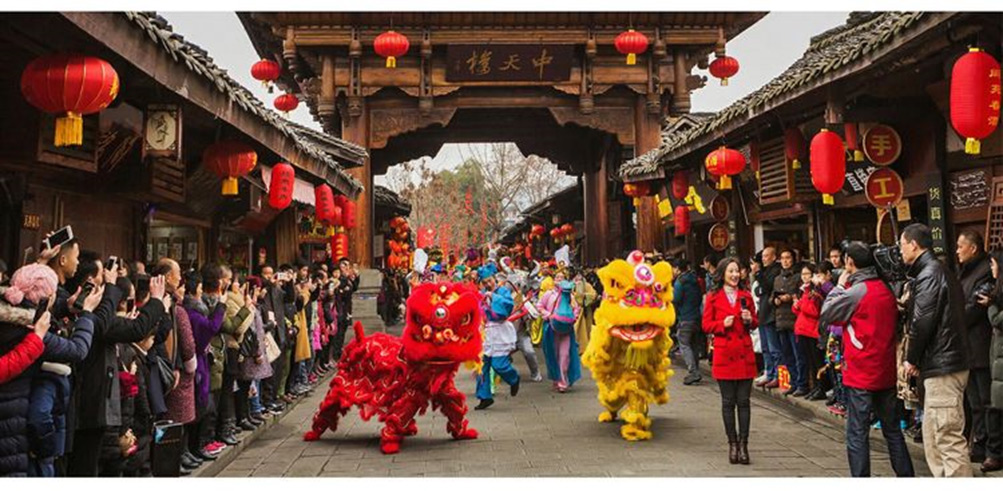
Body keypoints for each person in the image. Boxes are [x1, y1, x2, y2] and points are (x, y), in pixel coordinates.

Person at [818, 241, 914, 477]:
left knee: (857, 433)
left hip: (861, 371)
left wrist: (838, 287)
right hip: (884, 370)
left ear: (850, 262)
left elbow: (827, 313)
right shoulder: (884, 288)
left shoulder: (856, 291)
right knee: (892, 431)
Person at [900, 223, 972, 477]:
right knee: (933, 437)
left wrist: (911, 358)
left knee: (947, 437)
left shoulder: (930, 273)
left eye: (902, 245)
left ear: (914, 245)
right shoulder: (933, 271)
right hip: (940, 363)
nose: (900, 251)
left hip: (944, 364)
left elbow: (923, 320)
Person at [702, 257, 757, 465]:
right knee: (728, 402)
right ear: (723, 273)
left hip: (744, 354)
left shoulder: (746, 296)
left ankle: (744, 445)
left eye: (738, 271)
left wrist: (749, 320)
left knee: (744, 402)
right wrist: (721, 324)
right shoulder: (713, 296)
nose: (735, 275)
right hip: (724, 354)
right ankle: (732, 444)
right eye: (731, 271)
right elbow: (706, 325)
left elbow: (755, 321)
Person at [956, 229, 1000, 469]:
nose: (957, 251)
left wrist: (953, 319)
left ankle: (986, 445)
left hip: (981, 345)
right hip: (969, 347)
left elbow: (973, 308)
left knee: (985, 400)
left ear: (972, 248)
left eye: (960, 246)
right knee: (974, 400)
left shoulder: (984, 272)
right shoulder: (967, 271)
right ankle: (979, 444)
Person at [475, 284, 520, 410]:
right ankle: (485, 397)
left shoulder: (503, 291)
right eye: (483, 280)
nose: (487, 282)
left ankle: (514, 378)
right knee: (481, 368)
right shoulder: (480, 293)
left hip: (500, 332)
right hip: (485, 332)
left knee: (498, 365)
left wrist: (493, 296)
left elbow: (506, 308)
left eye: (489, 279)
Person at [537, 271, 582, 393]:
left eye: (562, 277)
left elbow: (576, 308)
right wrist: (548, 315)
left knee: (565, 355)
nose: (559, 279)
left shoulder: (570, 296)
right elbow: (539, 306)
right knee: (554, 354)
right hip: (552, 329)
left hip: (566, 330)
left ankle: (563, 381)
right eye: (557, 277)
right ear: (553, 279)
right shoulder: (548, 294)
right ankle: (556, 379)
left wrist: (574, 317)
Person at [791, 262, 827, 401]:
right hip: (803, 329)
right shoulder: (803, 290)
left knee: (817, 362)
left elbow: (814, 311)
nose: (805, 277)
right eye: (803, 274)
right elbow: (797, 310)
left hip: (812, 330)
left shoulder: (815, 291)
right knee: (809, 362)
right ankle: (815, 387)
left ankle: (821, 388)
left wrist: (800, 304)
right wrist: (797, 305)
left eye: (808, 274)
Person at [773, 249, 806, 396]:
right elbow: (771, 296)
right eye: (783, 258)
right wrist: (775, 299)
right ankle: (793, 382)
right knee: (787, 354)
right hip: (780, 320)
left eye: (788, 258)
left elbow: (800, 295)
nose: (785, 261)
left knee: (799, 354)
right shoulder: (777, 279)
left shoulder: (798, 277)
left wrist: (790, 297)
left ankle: (802, 383)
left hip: (794, 320)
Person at [754, 247, 782, 388]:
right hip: (763, 313)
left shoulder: (776, 271)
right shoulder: (765, 271)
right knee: (765, 347)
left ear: (773, 257)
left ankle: (777, 375)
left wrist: (758, 273)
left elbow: (766, 286)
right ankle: (769, 372)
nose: (764, 259)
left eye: (766, 256)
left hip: (771, 314)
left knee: (774, 349)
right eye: (763, 256)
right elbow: (758, 290)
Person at [673, 259, 703, 385]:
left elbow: (676, 299)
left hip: (685, 317)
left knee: (684, 343)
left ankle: (693, 371)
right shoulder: (695, 279)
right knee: (693, 344)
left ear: (678, 269)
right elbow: (700, 296)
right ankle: (696, 369)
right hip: (696, 316)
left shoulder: (680, 282)